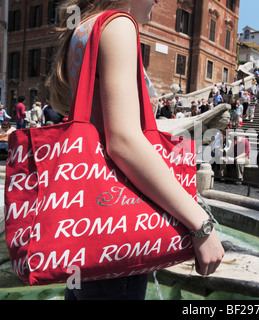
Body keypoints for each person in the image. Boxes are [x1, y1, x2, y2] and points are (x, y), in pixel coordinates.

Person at [46, 0, 223, 300]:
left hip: (85, 228)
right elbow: (124, 142)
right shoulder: (119, 25)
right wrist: (201, 224)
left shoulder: (83, 28)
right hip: (113, 229)